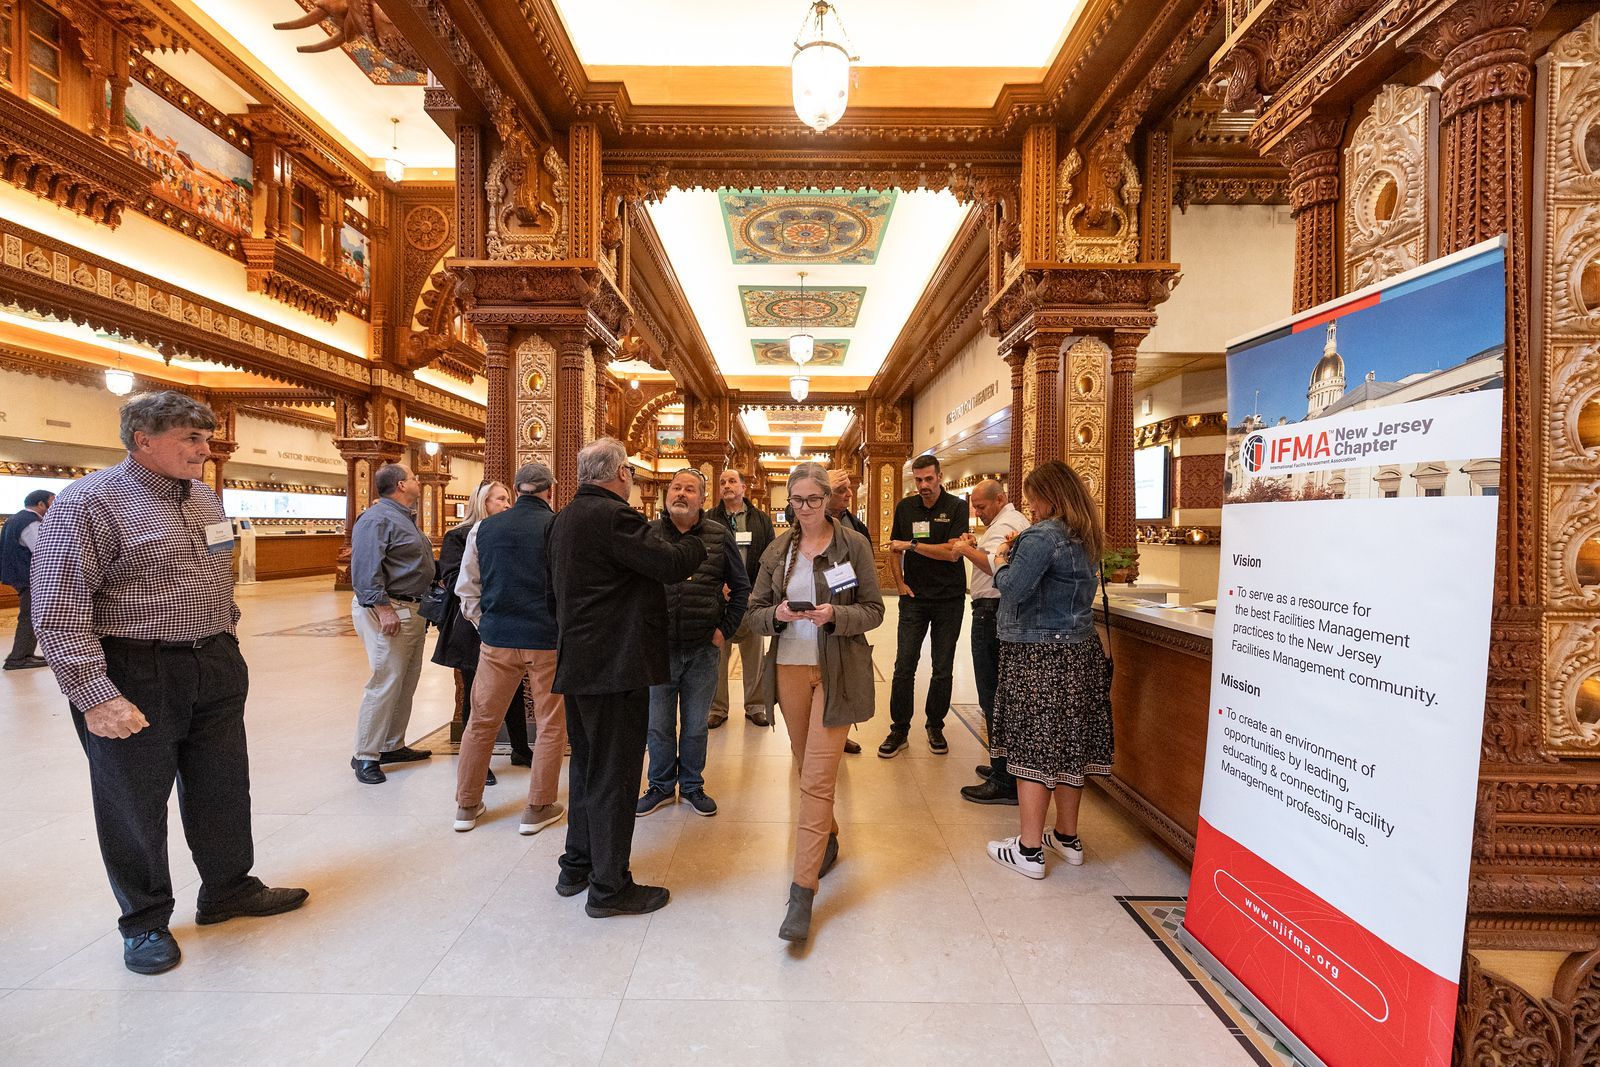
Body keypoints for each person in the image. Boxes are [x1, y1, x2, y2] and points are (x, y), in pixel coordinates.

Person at [29, 391, 306, 975]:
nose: (205, 451)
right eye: (191, 440)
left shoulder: (203, 498)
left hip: (213, 662)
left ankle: (228, 888)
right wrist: (95, 694)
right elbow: (58, 608)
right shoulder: (90, 502)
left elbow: (214, 568)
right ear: (143, 440)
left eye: (205, 440)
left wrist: (226, 633)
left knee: (223, 785)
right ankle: (145, 920)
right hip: (136, 668)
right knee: (133, 798)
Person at [548, 438, 705, 918]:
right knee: (615, 776)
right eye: (631, 474)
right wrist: (695, 535)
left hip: (579, 662)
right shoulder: (614, 516)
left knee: (587, 768)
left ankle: (577, 864)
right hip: (615, 666)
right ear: (619, 474)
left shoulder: (563, 518)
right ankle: (609, 886)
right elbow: (671, 564)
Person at [746, 462, 884, 943]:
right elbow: (754, 611)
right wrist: (778, 615)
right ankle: (827, 837)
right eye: (797, 501)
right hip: (788, 669)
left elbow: (874, 610)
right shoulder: (778, 550)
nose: (804, 509)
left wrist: (835, 615)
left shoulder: (853, 546)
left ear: (829, 500)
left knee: (817, 778)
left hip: (837, 670)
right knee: (806, 765)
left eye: (813, 500)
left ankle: (801, 893)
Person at [985, 460, 1114, 879]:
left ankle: (1028, 850)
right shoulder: (1086, 535)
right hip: (1080, 652)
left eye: (1033, 498)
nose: (1031, 507)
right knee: (1070, 745)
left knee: (1033, 747)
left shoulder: (1042, 536)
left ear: (1049, 495)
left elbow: (1012, 588)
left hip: (1037, 655)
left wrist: (1003, 558)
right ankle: (1067, 838)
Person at [451, 462, 568, 836]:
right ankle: (538, 806)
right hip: (547, 640)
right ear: (551, 489)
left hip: (498, 639)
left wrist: (486, 625)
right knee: (550, 725)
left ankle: (467, 806)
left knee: (482, 720)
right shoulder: (557, 527)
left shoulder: (484, 528)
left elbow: (467, 587)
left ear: (517, 491)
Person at [638, 469, 750, 819]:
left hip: (703, 647)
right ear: (666, 495)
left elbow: (741, 587)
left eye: (690, 489)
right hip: (659, 649)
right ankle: (658, 784)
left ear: (703, 499)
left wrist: (724, 629)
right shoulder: (649, 535)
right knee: (657, 722)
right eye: (676, 488)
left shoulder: (718, 535)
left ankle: (691, 785)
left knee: (696, 723)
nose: (681, 494)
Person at [430, 480, 530, 785]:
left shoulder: (507, 533)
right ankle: (477, 760)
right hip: (470, 625)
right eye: (499, 499)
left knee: (511, 688)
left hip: (502, 620)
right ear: (482, 503)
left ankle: (520, 747)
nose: (506, 504)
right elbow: (452, 577)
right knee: (478, 694)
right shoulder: (458, 536)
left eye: (508, 499)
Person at [348, 462, 435, 784]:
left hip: (412, 607)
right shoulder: (376, 519)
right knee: (386, 678)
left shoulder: (402, 518)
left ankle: (391, 744)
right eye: (412, 478)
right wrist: (383, 609)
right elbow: (366, 568)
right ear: (400, 485)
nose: (416, 481)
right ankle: (365, 755)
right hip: (391, 608)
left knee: (406, 679)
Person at [880, 453, 969, 758]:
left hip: (949, 600)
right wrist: (900, 584)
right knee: (904, 665)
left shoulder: (957, 507)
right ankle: (899, 729)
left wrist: (914, 546)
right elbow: (894, 549)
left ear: (940, 477)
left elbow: (953, 553)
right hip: (914, 599)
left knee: (942, 668)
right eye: (918, 480)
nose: (923, 485)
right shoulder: (906, 507)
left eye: (929, 479)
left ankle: (935, 725)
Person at [956, 481, 1031, 804]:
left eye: (981, 506)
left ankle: (1005, 778)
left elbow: (993, 565)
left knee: (993, 696)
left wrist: (964, 551)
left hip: (993, 614)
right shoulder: (1004, 524)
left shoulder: (1009, 524)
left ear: (1000, 499)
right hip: (992, 612)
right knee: (996, 696)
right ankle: (1002, 766)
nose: (976, 511)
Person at [707, 468, 774, 730]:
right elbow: (704, 556)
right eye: (722, 481)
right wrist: (719, 585)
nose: (726, 485)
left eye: (732, 481)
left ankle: (755, 706)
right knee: (717, 656)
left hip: (751, 600)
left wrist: (754, 591)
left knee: (754, 656)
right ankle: (717, 708)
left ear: (744, 487)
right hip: (719, 601)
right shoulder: (709, 519)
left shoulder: (760, 520)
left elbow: (769, 559)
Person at [2, 488, 54, 670]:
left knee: (30, 615)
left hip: (18, 575)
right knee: (29, 616)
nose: (53, 505)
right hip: (28, 576)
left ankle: (25, 654)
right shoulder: (30, 521)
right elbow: (41, 549)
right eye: (52, 501)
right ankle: (17, 658)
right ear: (41, 504)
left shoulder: (15, 519)